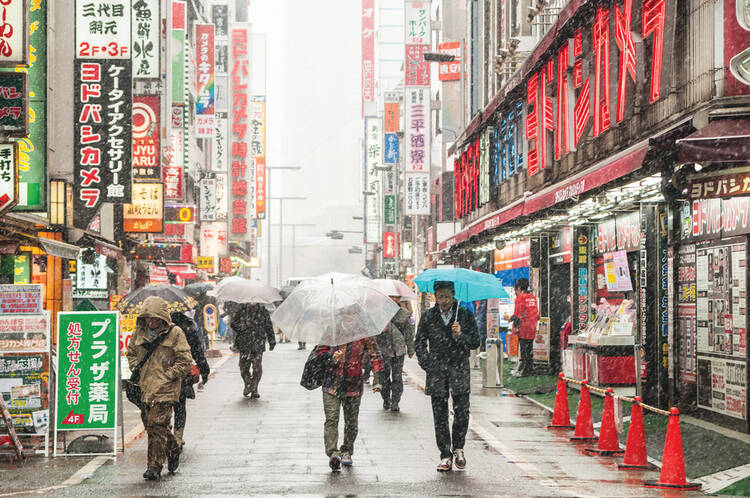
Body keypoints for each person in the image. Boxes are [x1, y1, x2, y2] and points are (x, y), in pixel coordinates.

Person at [415, 281, 480, 472]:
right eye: (440, 296)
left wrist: (461, 335)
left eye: (447, 296)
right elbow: (419, 342)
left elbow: (475, 342)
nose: (443, 301)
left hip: (459, 369)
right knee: (440, 415)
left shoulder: (464, 314)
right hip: (437, 371)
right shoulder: (429, 316)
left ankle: (458, 447)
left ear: (453, 295)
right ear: (435, 296)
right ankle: (445, 454)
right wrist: (426, 363)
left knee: (462, 412)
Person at [127, 296, 192, 481]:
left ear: (162, 318)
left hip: (166, 389)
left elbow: (185, 360)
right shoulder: (139, 333)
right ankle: (173, 449)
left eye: (155, 318)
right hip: (145, 387)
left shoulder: (175, 333)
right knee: (153, 425)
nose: (151, 322)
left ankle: (154, 466)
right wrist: (135, 367)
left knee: (157, 424)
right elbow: (131, 353)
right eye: (148, 318)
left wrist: (168, 375)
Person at [314, 306, 384, 471]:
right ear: (341, 314)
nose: (350, 318)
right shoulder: (332, 330)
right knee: (332, 419)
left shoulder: (364, 333)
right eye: (347, 314)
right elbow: (320, 352)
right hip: (331, 383)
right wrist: (331, 357)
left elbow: (376, 355)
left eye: (354, 314)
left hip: (353, 383)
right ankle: (333, 453)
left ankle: (347, 450)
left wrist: (377, 379)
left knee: (351, 422)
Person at [170, 311, 211, 449]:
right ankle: (177, 437)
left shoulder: (157, 328)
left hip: (163, 374)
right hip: (182, 374)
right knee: (180, 406)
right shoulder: (187, 327)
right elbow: (197, 351)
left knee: (164, 406)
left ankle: (170, 436)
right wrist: (204, 369)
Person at [375, 295, 415, 412]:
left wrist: (411, 348)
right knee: (384, 377)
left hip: (399, 350)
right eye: (391, 297)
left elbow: (409, 333)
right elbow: (372, 332)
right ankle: (386, 398)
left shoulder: (404, 313)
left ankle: (395, 401)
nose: (394, 299)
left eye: (396, 297)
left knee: (397, 377)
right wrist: (381, 331)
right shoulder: (378, 313)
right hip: (383, 350)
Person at [230, 302, 276, 398]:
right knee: (243, 367)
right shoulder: (242, 310)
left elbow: (269, 327)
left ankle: (254, 388)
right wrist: (242, 327)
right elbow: (233, 323)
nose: (253, 303)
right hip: (244, 343)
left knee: (257, 368)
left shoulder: (263, 311)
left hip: (258, 344)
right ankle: (247, 383)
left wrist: (272, 341)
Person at [511, 278, 540, 377]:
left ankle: (524, 370)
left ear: (519, 288)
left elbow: (517, 315)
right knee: (529, 348)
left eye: (515, 290)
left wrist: (514, 325)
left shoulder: (520, 297)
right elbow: (537, 314)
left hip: (523, 327)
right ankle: (529, 368)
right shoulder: (532, 297)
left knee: (523, 349)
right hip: (532, 326)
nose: (515, 292)